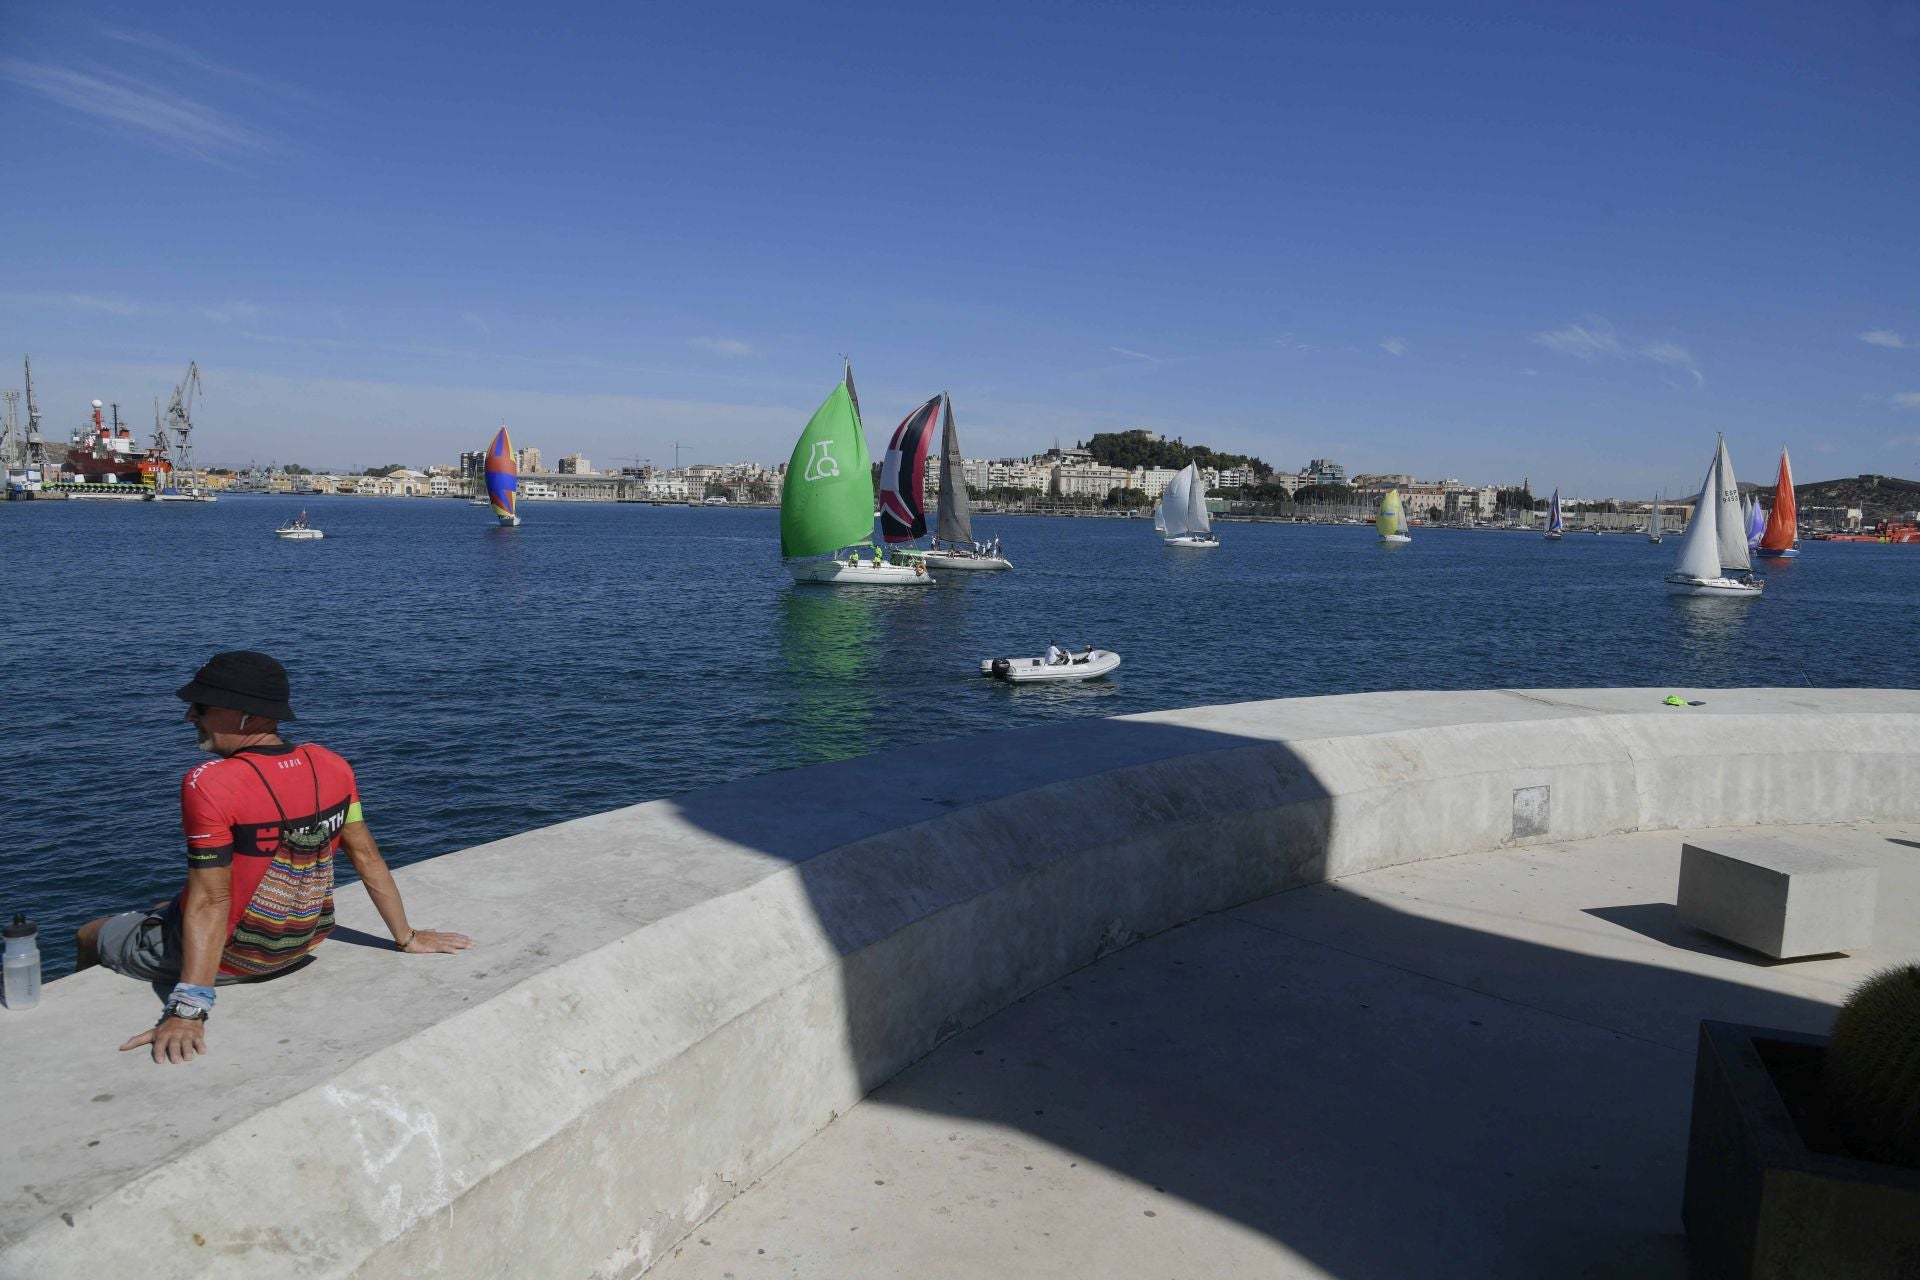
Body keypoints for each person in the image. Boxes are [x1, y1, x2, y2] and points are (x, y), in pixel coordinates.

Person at [76, 651, 473, 1065]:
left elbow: (212, 902)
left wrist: (188, 1011)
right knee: (167, 905)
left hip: (236, 961)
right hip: (302, 943)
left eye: (201, 707)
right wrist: (406, 938)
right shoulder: (333, 764)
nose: (190, 716)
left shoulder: (209, 783)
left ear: (244, 716)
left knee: (92, 931)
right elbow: (367, 858)